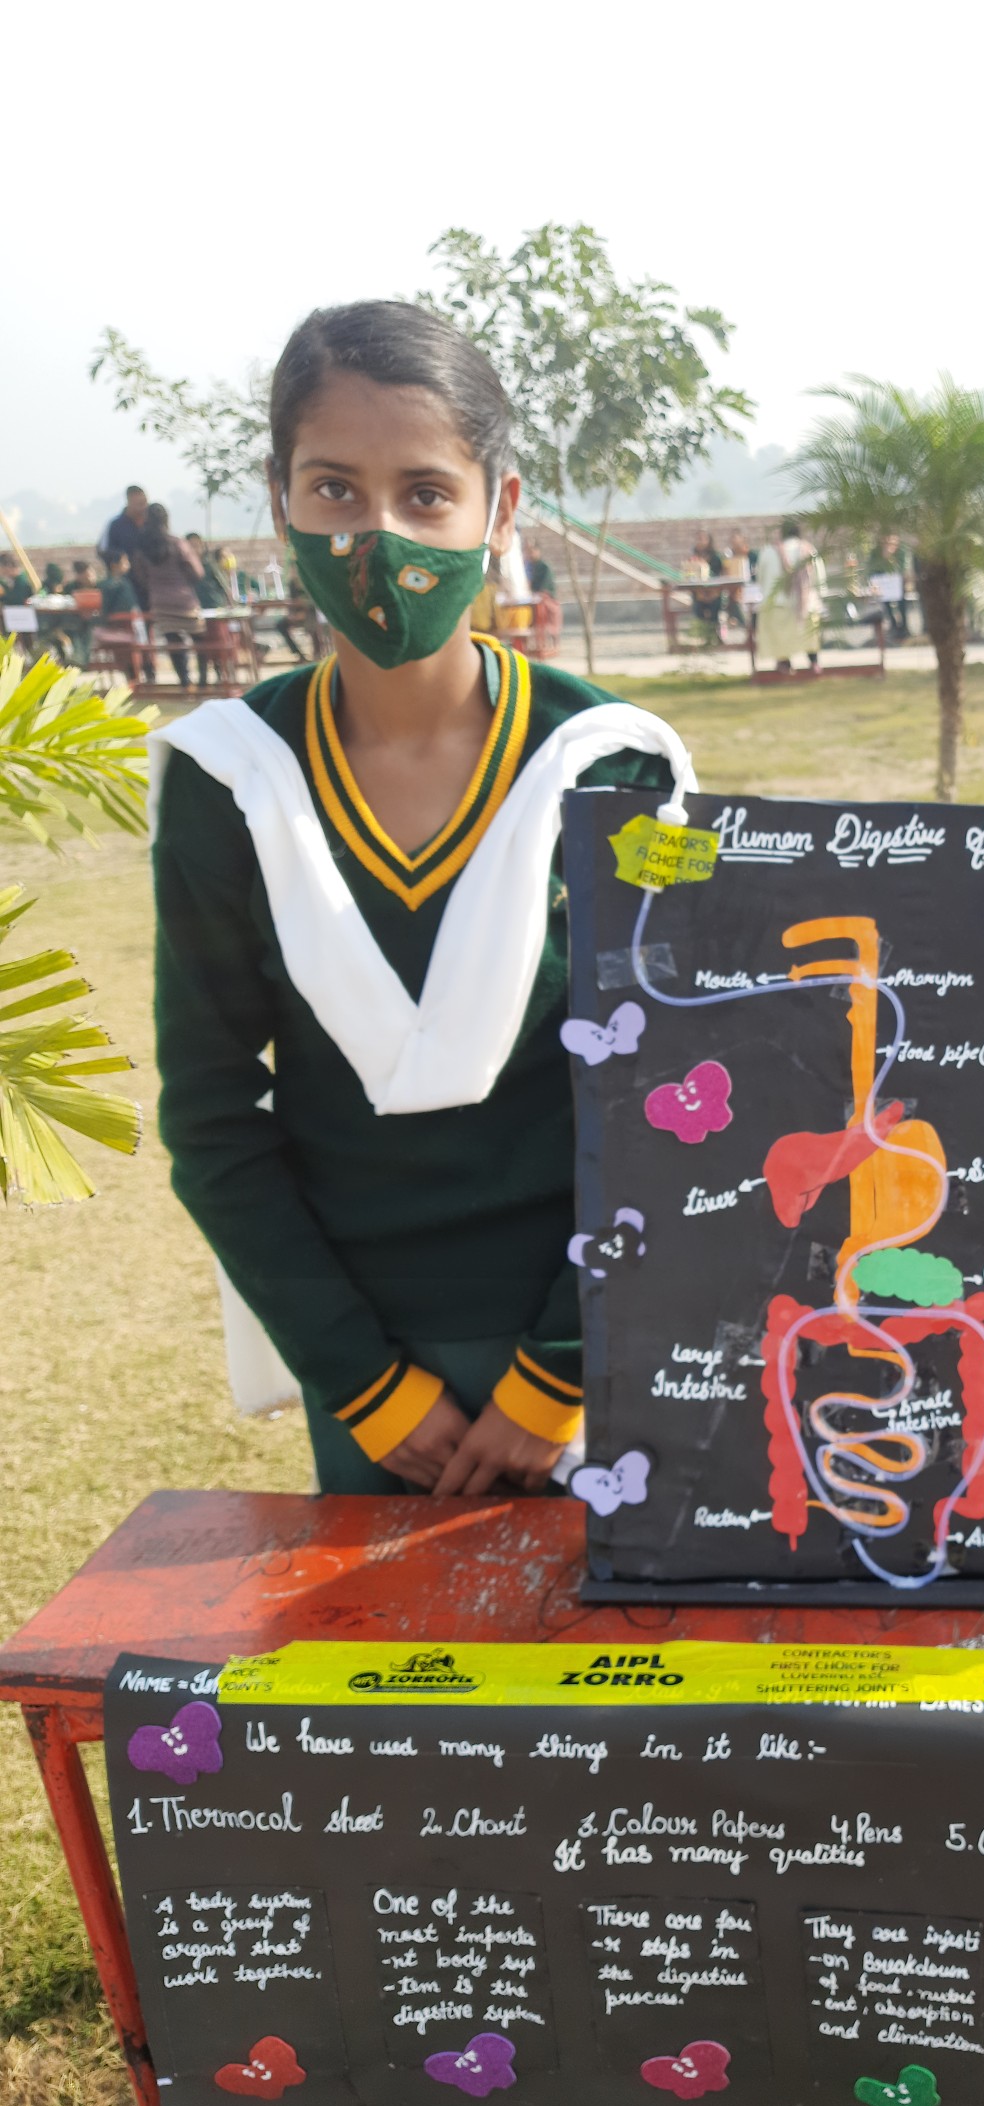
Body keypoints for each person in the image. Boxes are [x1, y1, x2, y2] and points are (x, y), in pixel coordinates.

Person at [152, 299, 690, 1497]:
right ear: (281, 500)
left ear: (499, 509)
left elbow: (670, 1078)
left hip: (599, 1348)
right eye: (335, 489)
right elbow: (210, 1110)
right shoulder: (228, 778)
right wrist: (362, 1381)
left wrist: (560, 1371)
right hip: (370, 1376)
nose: (381, 537)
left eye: (427, 493)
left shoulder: (614, 765)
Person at [130, 503, 207, 685]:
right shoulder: (177, 542)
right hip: (184, 600)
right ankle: (203, 680)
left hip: (159, 602)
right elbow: (197, 572)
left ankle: (184, 681)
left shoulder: (142, 548)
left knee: (173, 642)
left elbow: (140, 576)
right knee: (200, 638)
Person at [755, 518, 825, 671]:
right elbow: (820, 579)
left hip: (777, 605)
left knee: (780, 635)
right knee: (809, 636)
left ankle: (784, 663)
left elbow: (760, 579)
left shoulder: (768, 551)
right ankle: (813, 662)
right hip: (806, 605)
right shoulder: (809, 550)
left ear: (781, 533)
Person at [99, 485, 150, 572]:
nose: (144, 507)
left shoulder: (151, 524)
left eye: (145, 503)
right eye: (140, 504)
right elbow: (103, 550)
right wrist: (120, 558)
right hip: (124, 577)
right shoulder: (115, 525)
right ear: (129, 502)